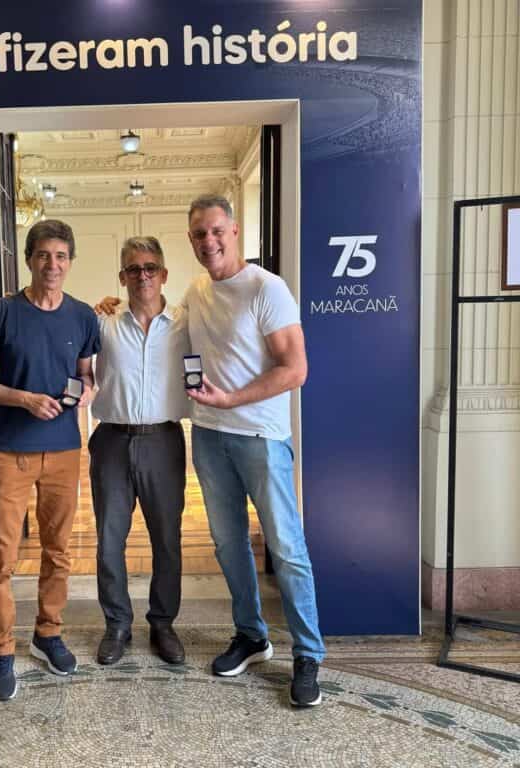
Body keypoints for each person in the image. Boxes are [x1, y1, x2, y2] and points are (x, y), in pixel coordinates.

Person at [183, 194, 325, 707]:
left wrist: (233, 399)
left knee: (285, 546)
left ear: (234, 230)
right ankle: (252, 635)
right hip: (208, 435)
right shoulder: (196, 291)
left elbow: (295, 370)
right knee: (227, 545)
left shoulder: (268, 288)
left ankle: (308, 654)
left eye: (216, 230)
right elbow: (163, 334)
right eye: (199, 233)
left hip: (262, 437)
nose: (208, 241)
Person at [0, 219, 100, 701]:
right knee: (1, 557)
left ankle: (48, 634)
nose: (53, 264)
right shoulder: (1, 313)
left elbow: (87, 374)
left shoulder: (83, 316)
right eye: (44, 255)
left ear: (70, 261)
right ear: (29, 259)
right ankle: (1, 649)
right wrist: (24, 399)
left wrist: (88, 390)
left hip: (65, 449)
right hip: (9, 452)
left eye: (62, 256)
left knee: (59, 551)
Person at [90, 236, 190, 666]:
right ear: (122, 277)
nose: (142, 275)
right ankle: (117, 624)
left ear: (164, 274)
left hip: (164, 440)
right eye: (133, 269)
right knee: (110, 539)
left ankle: (163, 624)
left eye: (150, 267)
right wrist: (1, 310)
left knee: (167, 539)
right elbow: (56, 333)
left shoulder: (188, 321)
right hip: (111, 440)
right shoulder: (103, 322)